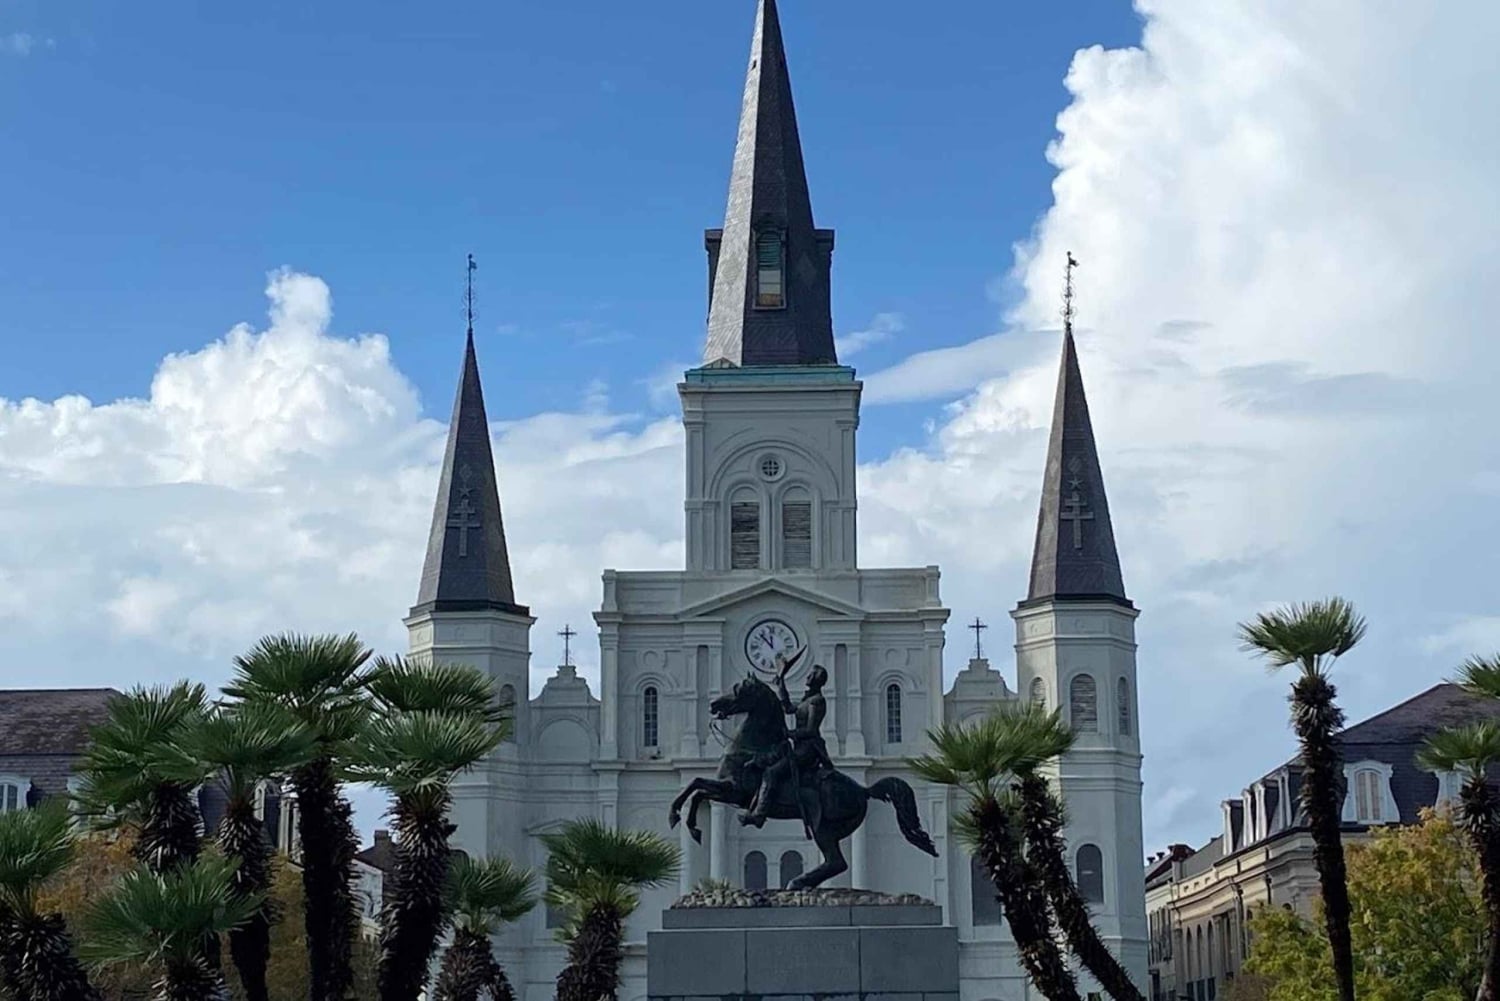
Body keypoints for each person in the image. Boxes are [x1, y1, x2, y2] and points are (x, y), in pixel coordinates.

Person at [740, 654, 833, 835]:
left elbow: (812, 731)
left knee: (771, 772)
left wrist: (789, 733)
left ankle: (759, 815)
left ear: (816, 679)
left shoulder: (817, 701)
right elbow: (789, 708)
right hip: (797, 747)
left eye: (810, 675)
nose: (807, 677)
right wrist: (780, 683)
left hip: (808, 750)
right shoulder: (808, 700)